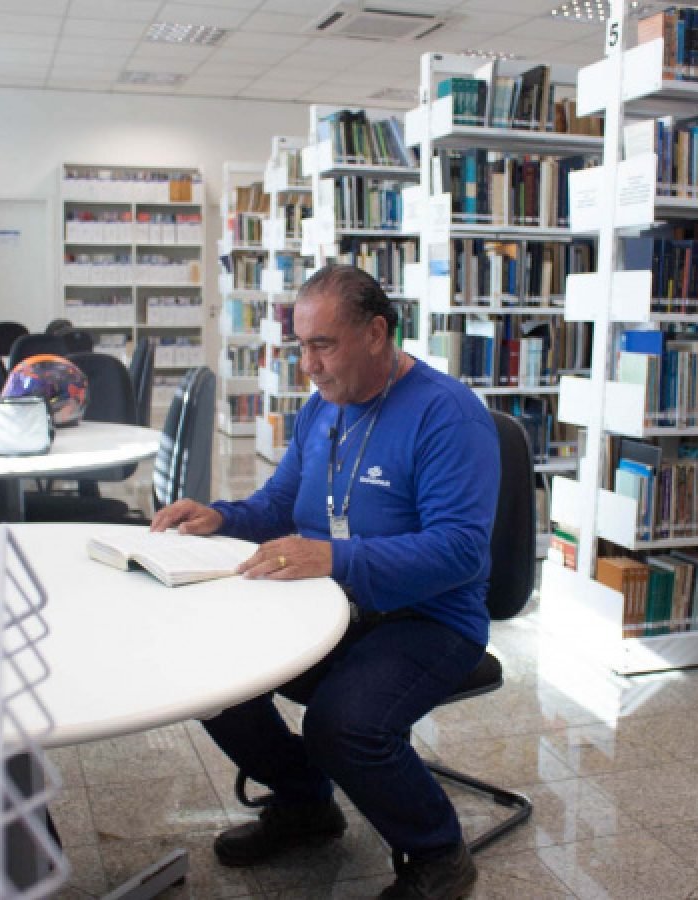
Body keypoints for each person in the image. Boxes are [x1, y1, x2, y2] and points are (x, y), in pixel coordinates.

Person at [151, 264, 499, 899]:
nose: (307, 364)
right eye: (300, 345)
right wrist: (221, 517)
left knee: (341, 724)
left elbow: (460, 553)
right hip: (331, 606)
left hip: (430, 620)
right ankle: (306, 804)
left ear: (375, 333)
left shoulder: (450, 417)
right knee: (211, 676)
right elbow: (281, 506)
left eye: (323, 344)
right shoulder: (321, 410)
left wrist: (337, 558)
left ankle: (439, 853)